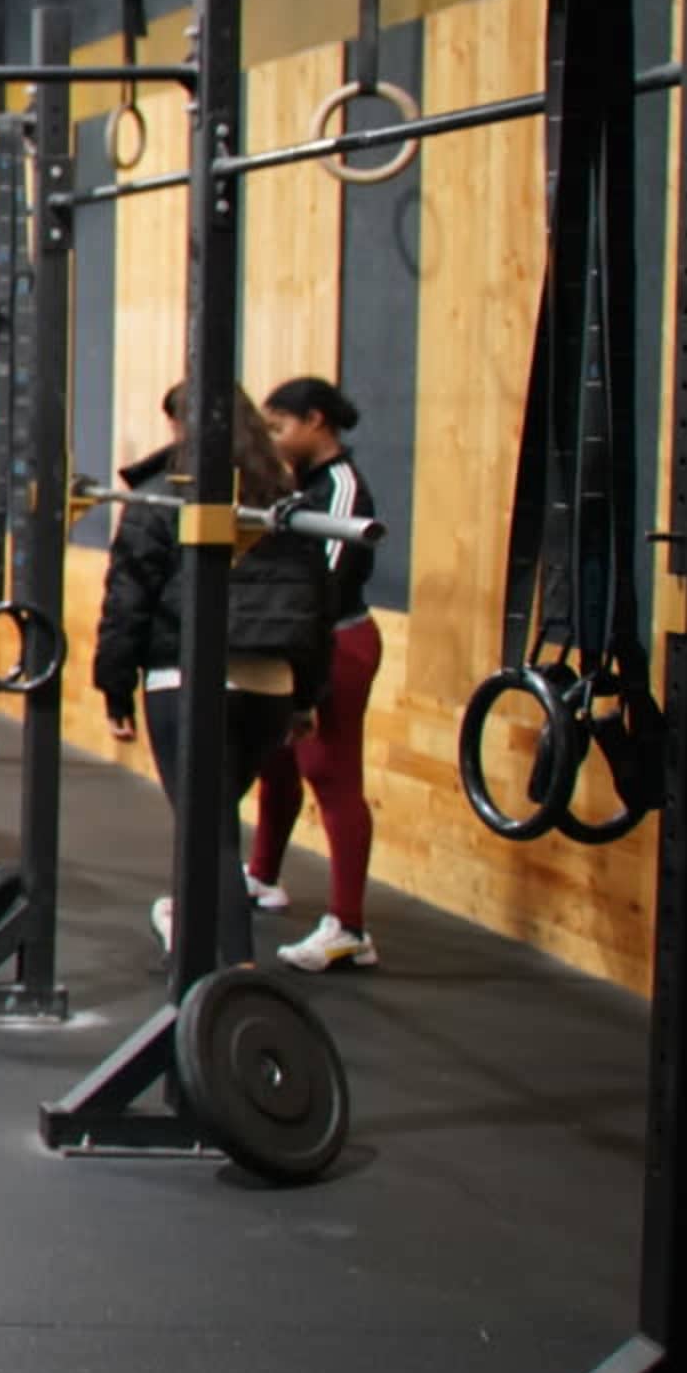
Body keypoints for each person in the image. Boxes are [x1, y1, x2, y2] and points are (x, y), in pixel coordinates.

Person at [93, 383, 333, 952]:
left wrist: (115, 688)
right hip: (269, 691)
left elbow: (128, 600)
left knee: (212, 836)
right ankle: (192, 928)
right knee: (213, 824)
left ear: (179, 429)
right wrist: (304, 697)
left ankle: (231, 971)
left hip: (188, 684)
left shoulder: (161, 498)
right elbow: (314, 608)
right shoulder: (284, 499)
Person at [256, 377, 388, 971]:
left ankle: (349, 928)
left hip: (336, 643)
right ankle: (262, 876)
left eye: (280, 427)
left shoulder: (342, 489)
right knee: (276, 757)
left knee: (329, 773)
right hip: (301, 640)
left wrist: (301, 663)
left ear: (315, 421)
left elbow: (324, 585)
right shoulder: (302, 486)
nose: (275, 439)